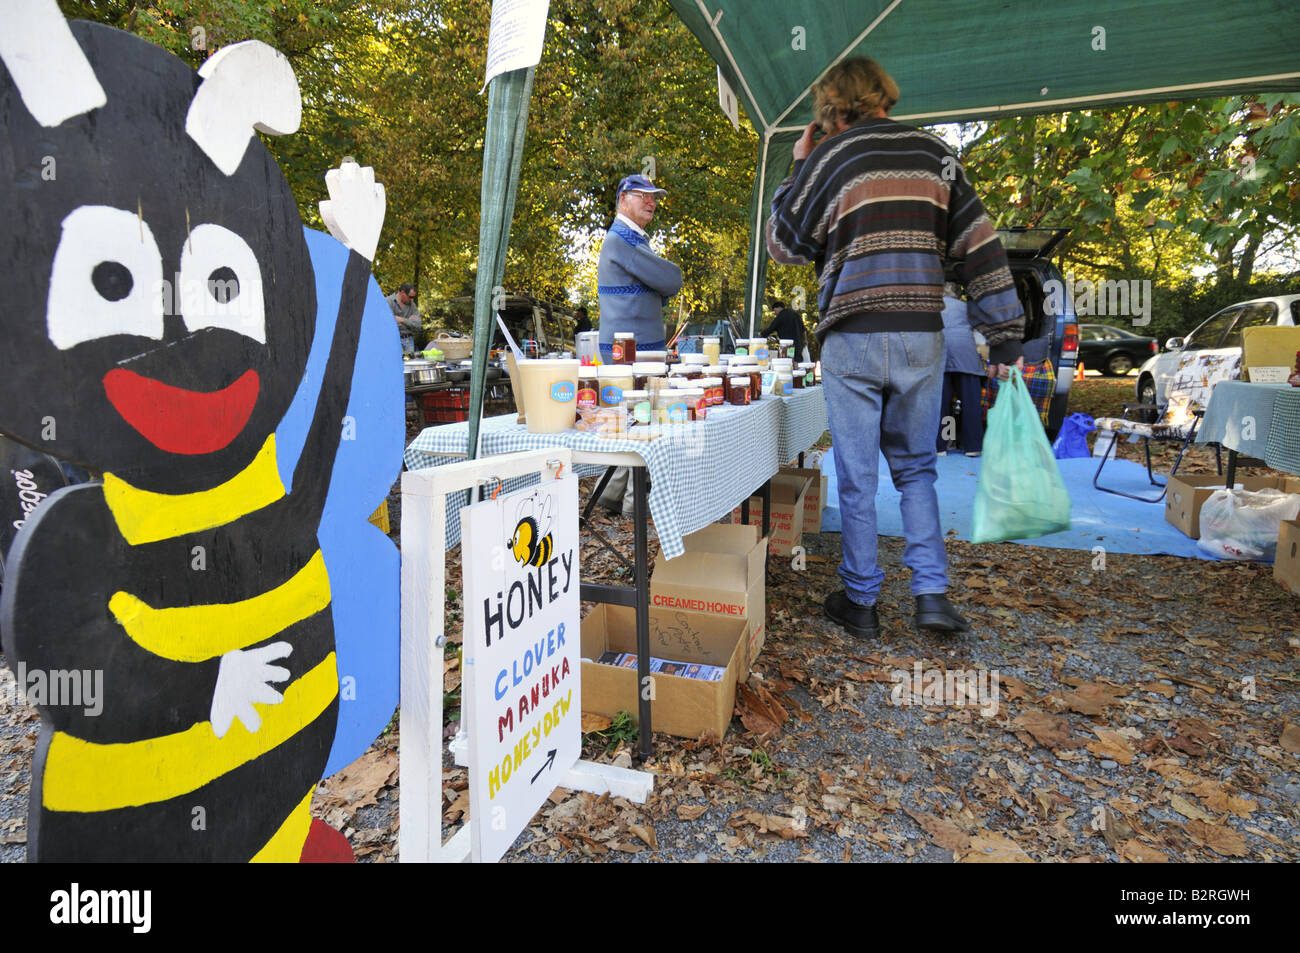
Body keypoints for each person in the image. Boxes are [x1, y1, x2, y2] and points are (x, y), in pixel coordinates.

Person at [765, 56, 1025, 639]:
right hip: (919, 335)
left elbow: (784, 244)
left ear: (832, 104)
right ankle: (931, 597)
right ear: (883, 95)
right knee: (917, 471)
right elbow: (981, 246)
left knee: (857, 477)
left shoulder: (831, 159)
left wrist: (798, 164)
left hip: (852, 335)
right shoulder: (937, 156)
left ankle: (861, 604)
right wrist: (1003, 333)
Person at [596, 174, 682, 361]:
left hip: (634, 351)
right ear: (622, 199)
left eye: (654, 198)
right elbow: (673, 280)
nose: (651, 203)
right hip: (629, 353)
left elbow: (664, 282)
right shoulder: (623, 240)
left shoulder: (630, 238)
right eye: (643, 196)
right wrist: (658, 289)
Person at [936, 283, 986, 457]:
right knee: (970, 402)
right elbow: (980, 336)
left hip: (940, 354)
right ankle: (973, 447)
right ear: (958, 295)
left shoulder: (934, 306)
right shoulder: (966, 307)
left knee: (942, 403)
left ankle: (941, 447)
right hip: (966, 356)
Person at [387, 283, 421, 355]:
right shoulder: (388, 302)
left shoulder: (412, 305)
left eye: (413, 297)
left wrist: (402, 320)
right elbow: (389, 325)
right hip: (392, 341)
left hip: (409, 341)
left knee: (410, 365)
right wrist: (409, 322)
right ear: (402, 292)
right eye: (410, 297)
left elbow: (418, 325)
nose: (412, 299)